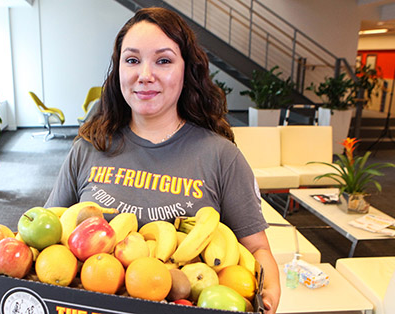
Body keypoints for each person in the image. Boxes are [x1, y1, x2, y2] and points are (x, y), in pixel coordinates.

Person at [45, 7, 280, 313]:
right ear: (118, 71)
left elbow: (257, 249)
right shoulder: (88, 148)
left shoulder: (222, 156)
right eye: (132, 60)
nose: (145, 75)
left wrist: (270, 293)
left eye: (164, 60)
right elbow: (46, 239)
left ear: (187, 70)